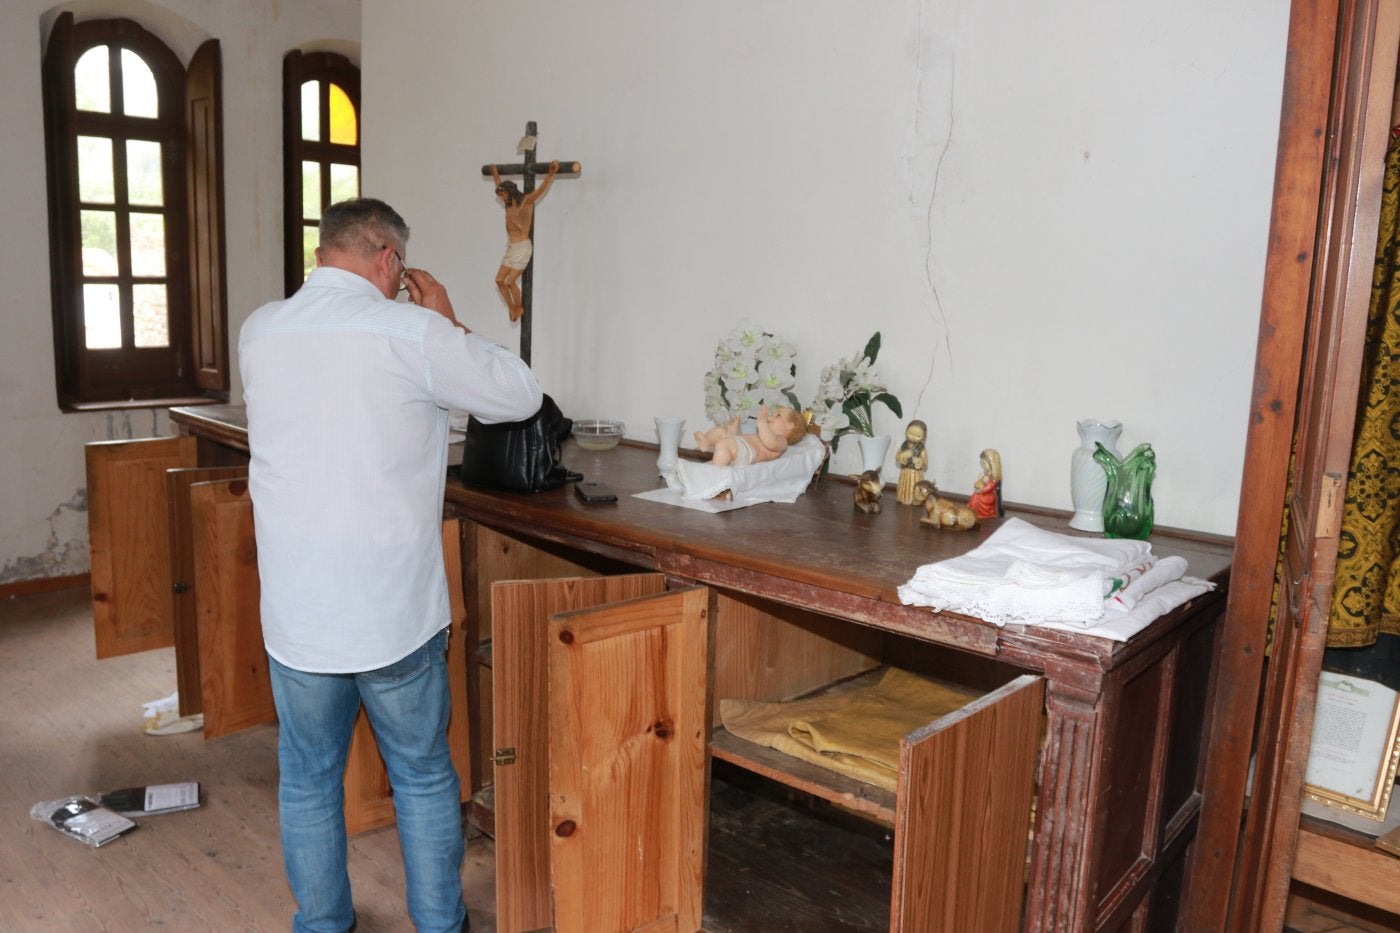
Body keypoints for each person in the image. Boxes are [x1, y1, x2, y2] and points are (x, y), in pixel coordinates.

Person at [239, 198, 541, 933]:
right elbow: (518, 394)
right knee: (422, 774)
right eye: (397, 264)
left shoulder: (259, 329)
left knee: (308, 781)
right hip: (391, 613)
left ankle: (322, 923)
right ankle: (441, 923)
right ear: (387, 258)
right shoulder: (409, 332)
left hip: (298, 614)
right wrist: (446, 320)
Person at [490, 159, 560, 322]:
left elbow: (541, 190)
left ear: (509, 191)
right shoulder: (508, 204)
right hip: (511, 247)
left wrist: (551, 173)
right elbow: (499, 185)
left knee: (510, 281)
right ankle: (513, 308)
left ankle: (518, 306)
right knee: (499, 280)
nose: (501, 198)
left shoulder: (525, 202)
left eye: (502, 194)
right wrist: (495, 174)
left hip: (522, 247)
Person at [695, 404, 806, 467]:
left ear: (789, 425)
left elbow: (770, 443)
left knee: (723, 444)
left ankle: (716, 474)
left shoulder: (782, 441)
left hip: (749, 454)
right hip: (742, 448)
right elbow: (741, 442)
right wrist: (734, 430)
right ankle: (706, 441)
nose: (771, 417)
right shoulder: (764, 432)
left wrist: (762, 422)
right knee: (720, 430)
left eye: (778, 415)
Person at [895, 420, 928, 506]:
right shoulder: (904, 446)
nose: (913, 437)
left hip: (915, 474)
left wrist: (920, 461)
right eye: (910, 433)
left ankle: (915, 500)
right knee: (904, 486)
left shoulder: (921, 448)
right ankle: (902, 497)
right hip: (905, 472)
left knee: (915, 486)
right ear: (906, 432)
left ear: (923, 437)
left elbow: (925, 461)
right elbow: (897, 456)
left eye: (918, 436)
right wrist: (902, 456)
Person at [968, 447, 1004, 519]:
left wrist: (980, 490)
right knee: (975, 496)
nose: (982, 465)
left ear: (991, 464)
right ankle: (972, 511)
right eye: (982, 463)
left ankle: (981, 513)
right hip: (983, 494)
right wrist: (980, 478)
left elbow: (987, 489)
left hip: (989, 496)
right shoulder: (985, 473)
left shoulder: (994, 478)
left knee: (976, 497)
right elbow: (978, 484)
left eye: (984, 463)